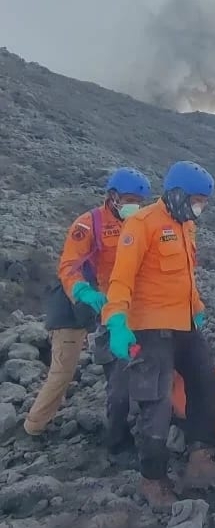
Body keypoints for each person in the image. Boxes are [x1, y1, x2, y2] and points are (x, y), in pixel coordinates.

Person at [102, 160, 215, 509]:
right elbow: (122, 278)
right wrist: (116, 320)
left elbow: (184, 276)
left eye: (203, 202)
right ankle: (152, 478)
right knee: (154, 404)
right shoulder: (141, 224)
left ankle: (200, 458)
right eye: (196, 201)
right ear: (175, 195)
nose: (199, 208)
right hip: (150, 326)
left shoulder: (186, 226)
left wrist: (198, 306)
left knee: (206, 384)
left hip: (184, 323)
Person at [24, 167, 151, 450]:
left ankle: (119, 421)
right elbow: (69, 265)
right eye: (130, 199)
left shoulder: (136, 224)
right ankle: (33, 427)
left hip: (112, 305)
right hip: (76, 304)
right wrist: (82, 291)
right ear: (113, 196)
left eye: (139, 202)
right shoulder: (87, 223)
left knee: (121, 362)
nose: (135, 206)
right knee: (63, 371)